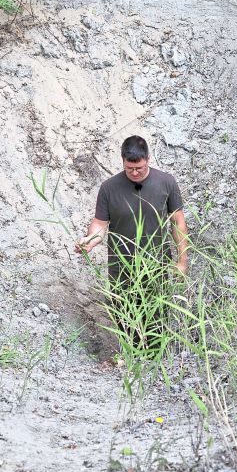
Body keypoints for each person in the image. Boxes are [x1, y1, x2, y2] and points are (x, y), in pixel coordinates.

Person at [75, 135, 189, 357]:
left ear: (148, 158)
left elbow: (178, 222)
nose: (135, 173)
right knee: (125, 317)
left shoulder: (166, 182)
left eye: (139, 168)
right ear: (122, 161)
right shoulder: (109, 188)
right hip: (121, 268)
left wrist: (182, 260)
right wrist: (89, 241)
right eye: (129, 169)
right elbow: (100, 224)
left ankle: (156, 362)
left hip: (157, 264)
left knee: (157, 317)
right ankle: (131, 360)